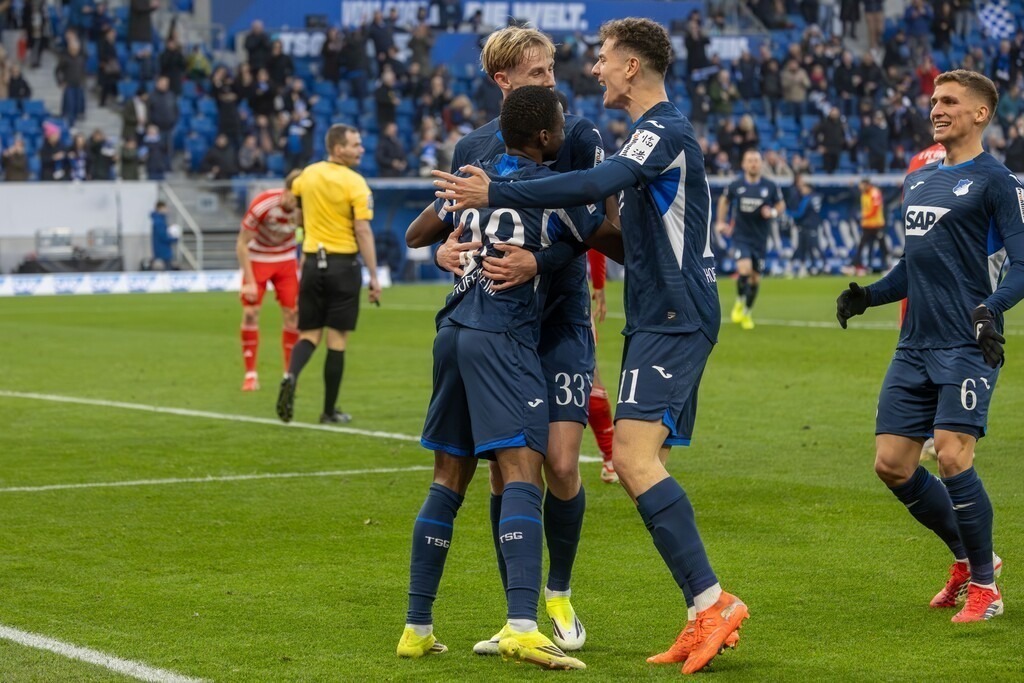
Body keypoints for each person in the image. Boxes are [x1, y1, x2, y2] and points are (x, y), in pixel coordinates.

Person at [432, 17, 749, 674]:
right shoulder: (644, 132)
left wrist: (499, 191)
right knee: (637, 462)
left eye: (603, 58)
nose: (591, 70)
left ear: (632, 66)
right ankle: (701, 609)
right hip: (655, 312)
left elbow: (590, 192)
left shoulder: (659, 130)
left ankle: (712, 601)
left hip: (673, 312)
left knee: (627, 459)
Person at [397, 84, 616, 671]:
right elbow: (604, 235)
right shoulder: (549, 189)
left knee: (447, 478)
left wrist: (450, 244)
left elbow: (416, 234)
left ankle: (417, 627)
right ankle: (522, 625)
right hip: (503, 337)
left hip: (452, 331)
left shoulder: (476, 177)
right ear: (545, 136)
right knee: (522, 470)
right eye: (559, 122)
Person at [835, 70, 1024, 623]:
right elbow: (913, 265)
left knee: (952, 454)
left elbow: (1022, 265)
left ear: (981, 113)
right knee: (892, 465)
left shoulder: (999, 183)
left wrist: (991, 309)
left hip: (968, 342)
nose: (936, 109)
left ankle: (986, 588)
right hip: (914, 344)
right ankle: (969, 558)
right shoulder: (918, 180)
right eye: (934, 101)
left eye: (949, 101)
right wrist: (868, 295)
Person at [276, 124, 381, 425]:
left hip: (311, 263)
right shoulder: (355, 182)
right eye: (355, 144)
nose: (361, 149)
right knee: (337, 339)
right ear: (338, 148)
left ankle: (290, 375)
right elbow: (362, 229)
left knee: (309, 334)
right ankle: (328, 411)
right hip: (342, 265)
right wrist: (374, 276)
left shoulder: (308, 174)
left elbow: (292, 203)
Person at [236, 171, 302, 392]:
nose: (295, 202)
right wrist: (249, 281)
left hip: (286, 260)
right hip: (259, 258)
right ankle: (250, 374)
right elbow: (242, 243)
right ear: (286, 190)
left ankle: (289, 376)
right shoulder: (263, 204)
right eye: (293, 197)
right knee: (250, 312)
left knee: (292, 315)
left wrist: (303, 271)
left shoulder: (306, 209)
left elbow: (309, 238)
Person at [715, 148, 786, 330]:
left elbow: (781, 204)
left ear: (761, 164)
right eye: (750, 160)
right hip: (741, 236)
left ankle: (746, 312)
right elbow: (724, 201)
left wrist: (772, 212)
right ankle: (739, 300)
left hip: (760, 239)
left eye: (756, 160)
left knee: (755, 279)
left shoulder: (770, 186)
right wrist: (721, 222)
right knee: (744, 269)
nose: (753, 164)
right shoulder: (736, 185)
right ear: (744, 164)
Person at [587, 248, 617, 483]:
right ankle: (610, 458)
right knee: (588, 374)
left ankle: (610, 456)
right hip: (566, 289)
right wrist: (598, 284)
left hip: (506, 292)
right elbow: (594, 237)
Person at [789, 173, 823, 277]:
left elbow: (799, 213)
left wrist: (787, 213)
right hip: (811, 225)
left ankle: (813, 266)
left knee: (807, 247)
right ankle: (804, 267)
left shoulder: (807, 199)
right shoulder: (815, 196)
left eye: (804, 187)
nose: (801, 189)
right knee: (807, 247)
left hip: (806, 226)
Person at [850, 177, 887, 275]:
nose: (860, 187)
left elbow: (874, 209)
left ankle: (885, 266)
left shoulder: (875, 193)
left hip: (877, 225)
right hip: (867, 225)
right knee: (864, 246)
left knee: (882, 246)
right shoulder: (864, 194)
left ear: (866, 184)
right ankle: (862, 266)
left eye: (861, 185)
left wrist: (863, 216)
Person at [150, 200, 178, 269]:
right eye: (165, 208)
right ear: (161, 208)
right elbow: (163, 237)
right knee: (166, 271)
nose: (167, 210)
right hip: (163, 252)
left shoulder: (160, 220)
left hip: (162, 251)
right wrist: (174, 238)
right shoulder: (159, 222)